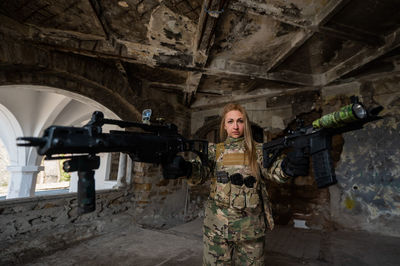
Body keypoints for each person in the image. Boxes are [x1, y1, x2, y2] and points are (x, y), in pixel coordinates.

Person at [163, 103, 309, 265]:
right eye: (230, 121)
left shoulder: (258, 151)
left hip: (250, 229)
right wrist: (186, 169)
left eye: (240, 121)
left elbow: (276, 172)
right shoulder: (214, 151)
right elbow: (199, 173)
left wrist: (289, 166)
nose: (235, 126)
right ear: (224, 126)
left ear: (245, 124)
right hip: (218, 229)